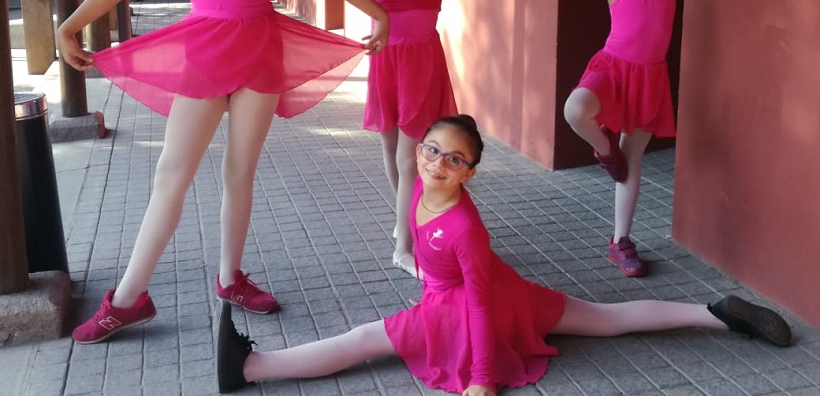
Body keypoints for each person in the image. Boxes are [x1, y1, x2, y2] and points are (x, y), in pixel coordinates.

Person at [58, 0, 389, 344]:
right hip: (205, 56)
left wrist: (377, 11)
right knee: (172, 174)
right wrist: (69, 24)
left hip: (260, 56)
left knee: (240, 172)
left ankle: (230, 277)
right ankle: (127, 299)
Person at [215, 114, 791, 395]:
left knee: (364, 340)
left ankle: (250, 369)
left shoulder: (465, 225)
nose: (437, 162)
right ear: (420, 150)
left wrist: (483, 379)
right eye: (432, 149)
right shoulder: (419, 186)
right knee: (605, 318)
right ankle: (711, 312)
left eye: (454, 159)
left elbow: (480, 306)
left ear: (472, 172)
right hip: (504, 292)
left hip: (473, 310)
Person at [335, 0, 490, 278]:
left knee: (410, 156)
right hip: (385, 60)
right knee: (390, 151)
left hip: (421, 63)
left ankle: (404, 246)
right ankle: (407, 221)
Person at [563, 0, 728, 277]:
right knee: (575, 110)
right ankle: (605, 151)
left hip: (650, 76)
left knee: (633, 160)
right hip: (613, 67)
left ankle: (621, 242)